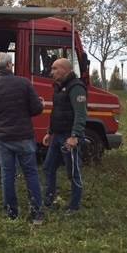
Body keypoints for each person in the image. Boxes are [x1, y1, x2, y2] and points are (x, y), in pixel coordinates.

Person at [0, 52, 44, 224]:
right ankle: (37, 215)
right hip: (24, 135)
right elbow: (36, 109)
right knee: (31, 174)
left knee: (7, 175)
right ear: (10, 65)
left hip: (2, 138)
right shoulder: (24, 83)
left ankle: (11, 214)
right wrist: (41, 104)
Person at [42, 58, 87, 214]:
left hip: (69, 137)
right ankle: (49, 200)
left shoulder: (76, 87)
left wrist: (75, 136)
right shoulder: (58, 87)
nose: (51, 72)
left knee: (73, 172)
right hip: (57, 135)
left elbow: (81, 114)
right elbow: (56, 113)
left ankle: (74, 206)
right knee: (48, 167)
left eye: (55, 69)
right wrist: (49, 132)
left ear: (66, 70)